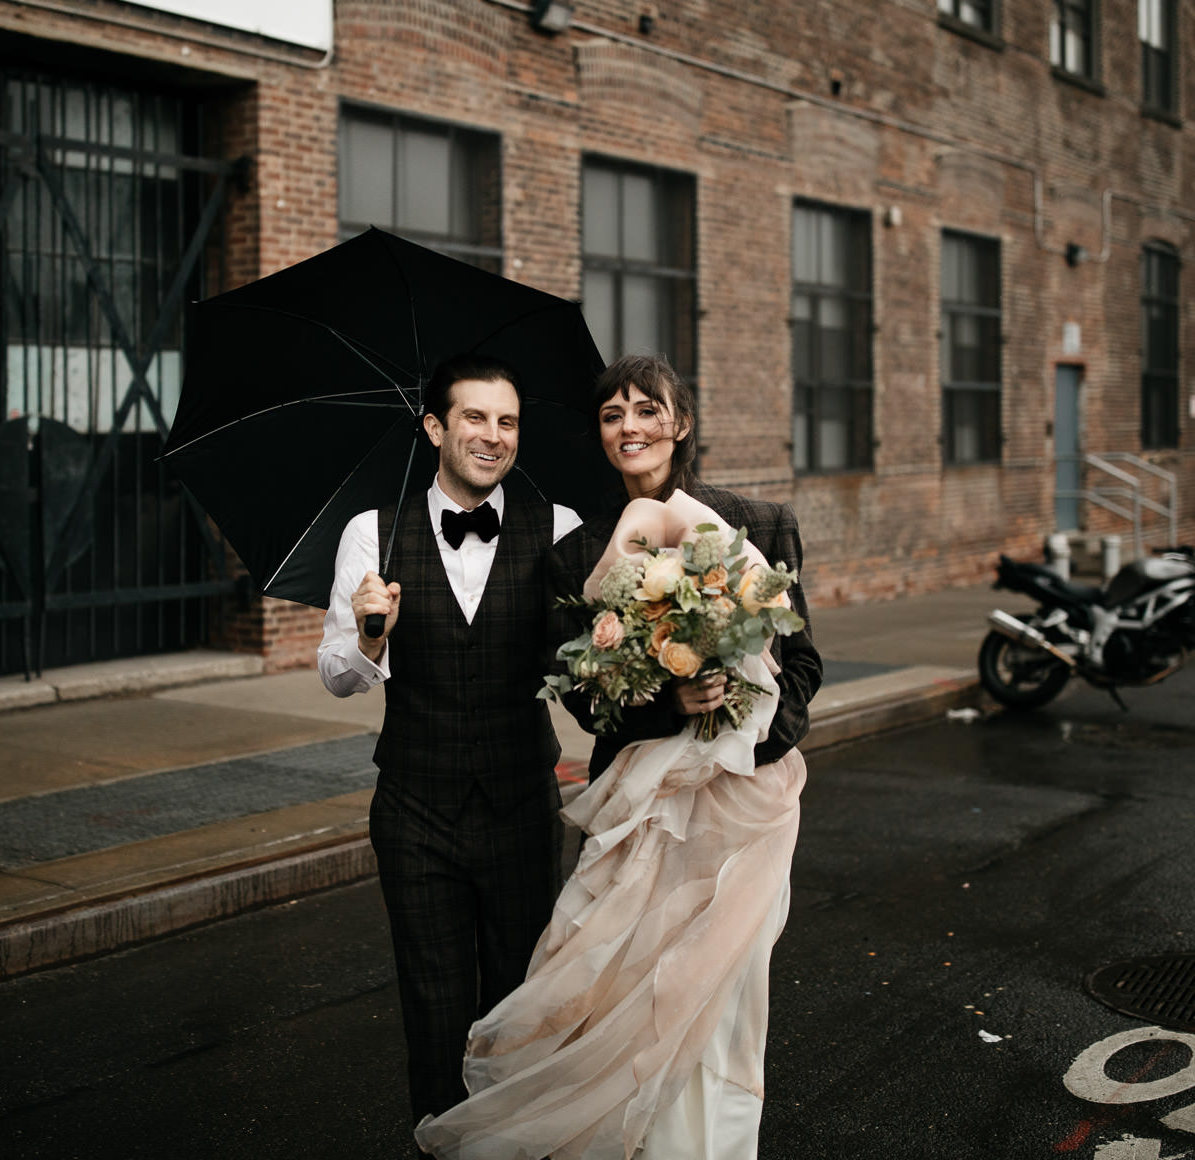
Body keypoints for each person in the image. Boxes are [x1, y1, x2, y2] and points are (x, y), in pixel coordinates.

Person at [415, 352, 822, 1160]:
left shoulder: (760, 525)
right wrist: (671, 702)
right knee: (616, 992)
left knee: (718, 1001)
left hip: (743, 814)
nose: (630, 427)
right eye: (612, 415)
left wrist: (736, 718)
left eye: (646, 410)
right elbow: (580, 697)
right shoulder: (574, 556)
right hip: (635, 813)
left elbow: (804, 671)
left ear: (681, 422)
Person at [317, 353, 583, 1144]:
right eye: (473, 417)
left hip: (522, 805)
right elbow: (336, 677)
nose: (491, 436)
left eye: (506, 422)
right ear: (434, 426)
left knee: (520, 1001)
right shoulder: (372, 533)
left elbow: (584, 671)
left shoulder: (558, 527)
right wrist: (371, 634)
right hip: (414, 808)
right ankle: (441, 1142)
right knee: (433, 1002)